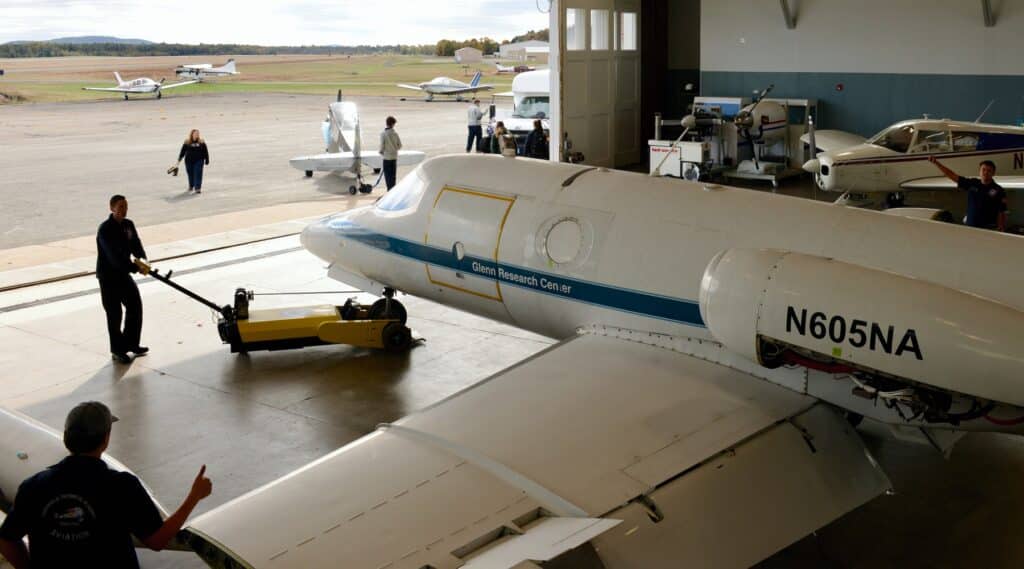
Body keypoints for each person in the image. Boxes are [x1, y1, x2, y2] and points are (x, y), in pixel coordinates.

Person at [0, 401, 212, 569]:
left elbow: (7, 540)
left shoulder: (33, 486)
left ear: (66, 437)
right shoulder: (122, 486)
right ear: (106, 440)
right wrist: (193, 497)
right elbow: (157, 541)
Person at [96, 195, 149, 364]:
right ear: (112, 208)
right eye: (120, 207)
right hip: (108, 277)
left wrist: (143, 261)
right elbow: (114, 257)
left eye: (126, 207)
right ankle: (117, 350)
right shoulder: (105, 229)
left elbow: (136, 244)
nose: (124, 210)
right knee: (114, 313)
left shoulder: (128, 225)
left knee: (135, 305)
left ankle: (131, 343)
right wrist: (135, 268)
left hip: (123, 274)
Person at [928, 156, 1007, 231]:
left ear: (993, 173)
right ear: (979, 171)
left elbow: (1002, 211)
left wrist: (1001, 227)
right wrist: (937, 163)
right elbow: (952, 175)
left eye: (989, 170)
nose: (986, 172)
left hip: (989, 228)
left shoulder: (998, 190)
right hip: (970, 227)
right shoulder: (972, 183)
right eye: (983, 170)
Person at [176, 129, 210, 194]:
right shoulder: (187, 142)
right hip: (189, 161)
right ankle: (191, 186)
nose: (196, 135)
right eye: (195, 133)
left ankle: (198, 188)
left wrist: (207, 159)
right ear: (192, 134)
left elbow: (205, 151)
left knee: (198, 173)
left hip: (199, 160)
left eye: (198, 134)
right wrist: (178, 161)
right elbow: (182, 152)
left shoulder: (201, 142)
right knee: (190, 174)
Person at [379, 116, 402, 191]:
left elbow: (382, 146)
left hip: (387, 158)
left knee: (388, 177)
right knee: (393, 176)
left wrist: (381, 152)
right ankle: (393, 191)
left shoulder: (383, 134)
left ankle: (389, 191)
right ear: (393, 124)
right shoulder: (395, 134)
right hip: (394, 157)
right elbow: (400, 145)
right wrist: (395, 149)